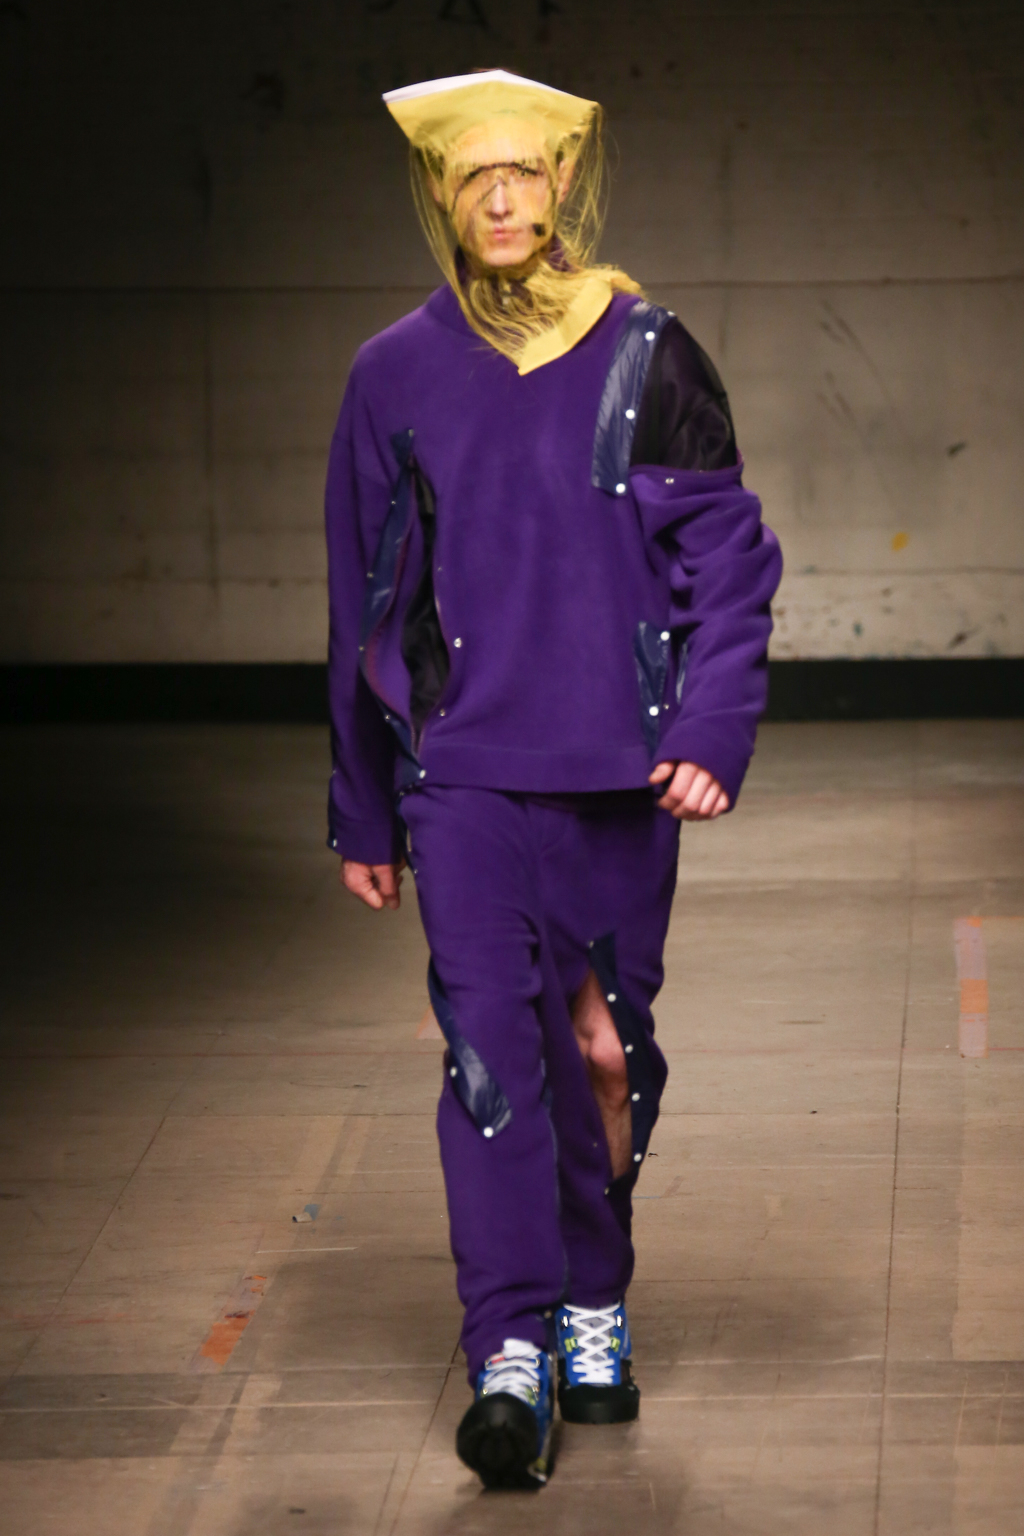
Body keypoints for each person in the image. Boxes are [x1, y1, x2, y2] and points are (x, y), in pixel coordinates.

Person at [325, 69, 782, 1489]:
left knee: (602, 1056)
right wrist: (362, 803)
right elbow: (362, 595)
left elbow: (726, 557)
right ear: (443, 197)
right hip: (461, 776)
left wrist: (711, 725)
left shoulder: (647, 352)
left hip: (618, 774)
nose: (505, 198)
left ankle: (596, 1293)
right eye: (478, 178)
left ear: (564, 184)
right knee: (490, 1062)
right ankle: (512, 1347)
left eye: (526, 173)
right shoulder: (392, 371)